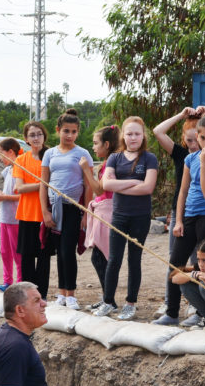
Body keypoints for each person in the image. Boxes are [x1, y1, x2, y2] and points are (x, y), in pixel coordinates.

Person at [152, 106, 205, 318]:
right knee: (176, 264)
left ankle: (203, 312)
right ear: (196, 137)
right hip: (189, 217)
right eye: (203, 138)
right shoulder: (190, 159)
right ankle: (171, 312)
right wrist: (178, 220)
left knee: (204, 266)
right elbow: (183, 191)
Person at [94, 116, 158, 320]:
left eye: (137, 134)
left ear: (143, 135)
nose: (133, 137)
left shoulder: (149, 158)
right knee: (114, 260)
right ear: (124, 135)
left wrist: (120, 184)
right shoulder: (114, 158)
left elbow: (148, 188)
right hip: (119, 215)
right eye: (129, 134)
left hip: (140, 216)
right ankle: (108, 301)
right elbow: (106, 185)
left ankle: (130, 303)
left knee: (134, 260)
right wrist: (133, 183)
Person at [40, 109, 92, 310]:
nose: (69, 135)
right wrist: (45, 211)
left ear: (78, 132)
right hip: (54, 208)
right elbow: (43, 184)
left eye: (73, 131)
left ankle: (71, 294)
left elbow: (88, 186)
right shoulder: (49, 154)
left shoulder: (82, 153)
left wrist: (86, 213)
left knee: (68, 251)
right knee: (59, 252)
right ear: (57, 130)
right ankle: (61, 293)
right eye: (66, 131)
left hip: (72, 208)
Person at [81, 125, 120, 309]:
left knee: (101, 257)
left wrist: (86, 170)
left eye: (96, 143)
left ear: (106, 144)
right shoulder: (108, 162)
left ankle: (109, 300)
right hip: (104, 210)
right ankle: (107, 298)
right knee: (100, 257)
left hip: (108, 212)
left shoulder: (111, 162)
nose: (94, 147)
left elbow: (99, 189)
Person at [14, 122, 51, 300]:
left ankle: (42, 295)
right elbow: (19, 188)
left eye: (39, 134)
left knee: (44, 258)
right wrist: (42, 185)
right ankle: (29, 296)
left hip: (47, 214)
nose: (36, 138)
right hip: (27, 213)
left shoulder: (51, 157)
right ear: (26, 139)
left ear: (44, 136)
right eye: (32, 135)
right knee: (27, 257)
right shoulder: (21, 160)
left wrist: (39, 186)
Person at [0, 138, 23, 291]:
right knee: (5, 251)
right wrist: (2, 195)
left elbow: (23, 196)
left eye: (1, 153)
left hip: (15, 219)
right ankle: (8, 282)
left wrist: (4, 197)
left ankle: (20, 284)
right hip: (5, 217)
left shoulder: (20, 169)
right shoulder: (8, 170)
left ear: (11, 152)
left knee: (18, 253)